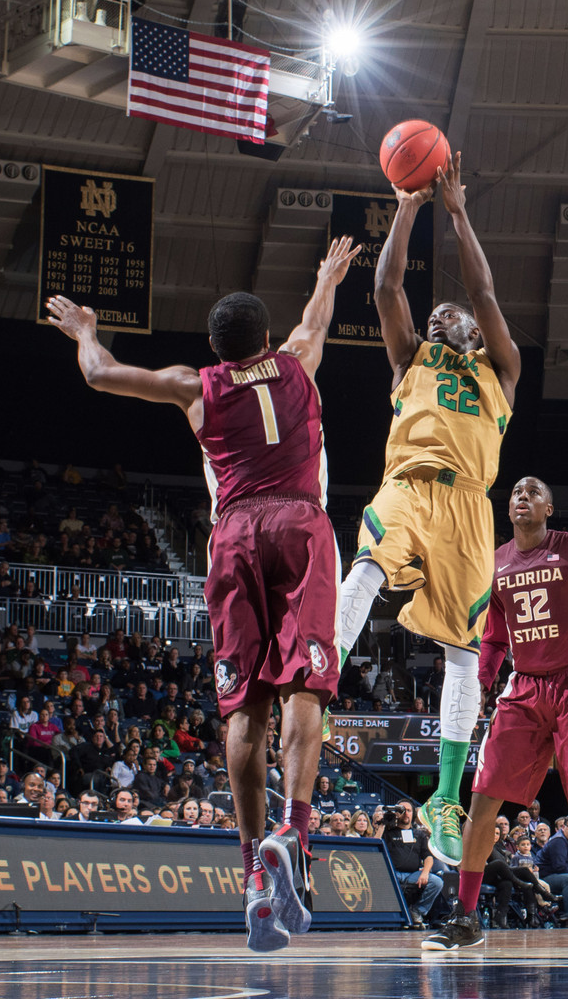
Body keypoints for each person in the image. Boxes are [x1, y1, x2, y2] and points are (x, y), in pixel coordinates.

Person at [46, 234, 360, 954]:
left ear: (216, 346)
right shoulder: (298, 359)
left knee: (242, 706)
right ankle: (294, 829)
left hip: (233, 537)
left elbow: (100, 376)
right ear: (267, 338)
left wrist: (88, 332)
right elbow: (316, 319)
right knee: (306, 689)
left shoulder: (196, 384)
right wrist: (327, 275)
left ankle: (254, 875)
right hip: (300, 525)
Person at [336, 154, 521, 867]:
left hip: (471, 510)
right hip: (409, 485)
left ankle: (446, 794)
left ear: (476, 333)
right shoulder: (411, 358)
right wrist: (407, 207)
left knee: (464, 652)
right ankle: (316, 685)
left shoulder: (500, 372)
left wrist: (458, 211)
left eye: (457, 316)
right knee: (365, 572)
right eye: (438, 312)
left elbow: (484, 287)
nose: (446, 314)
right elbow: (386, 287)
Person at [423, 476, 568, 953]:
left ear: (549, 507)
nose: (521, 497)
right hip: (523, 687)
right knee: (482, 799)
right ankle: (465, 918)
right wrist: (482, 681)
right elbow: (495, 634)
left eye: (532, 492)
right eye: (515, 493)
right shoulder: (497, 561)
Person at [372, 800, 444, 929]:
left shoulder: (420, 835)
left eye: (409, 810)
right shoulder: (388, 832)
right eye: (402, 810)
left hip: (413, 875)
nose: (405, 813)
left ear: (413, 814)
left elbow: (428, 856)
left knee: (437, 882)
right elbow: (374, 846)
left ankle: (417, 911)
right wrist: (381, 826)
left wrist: (425, 872)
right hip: (392, 874)